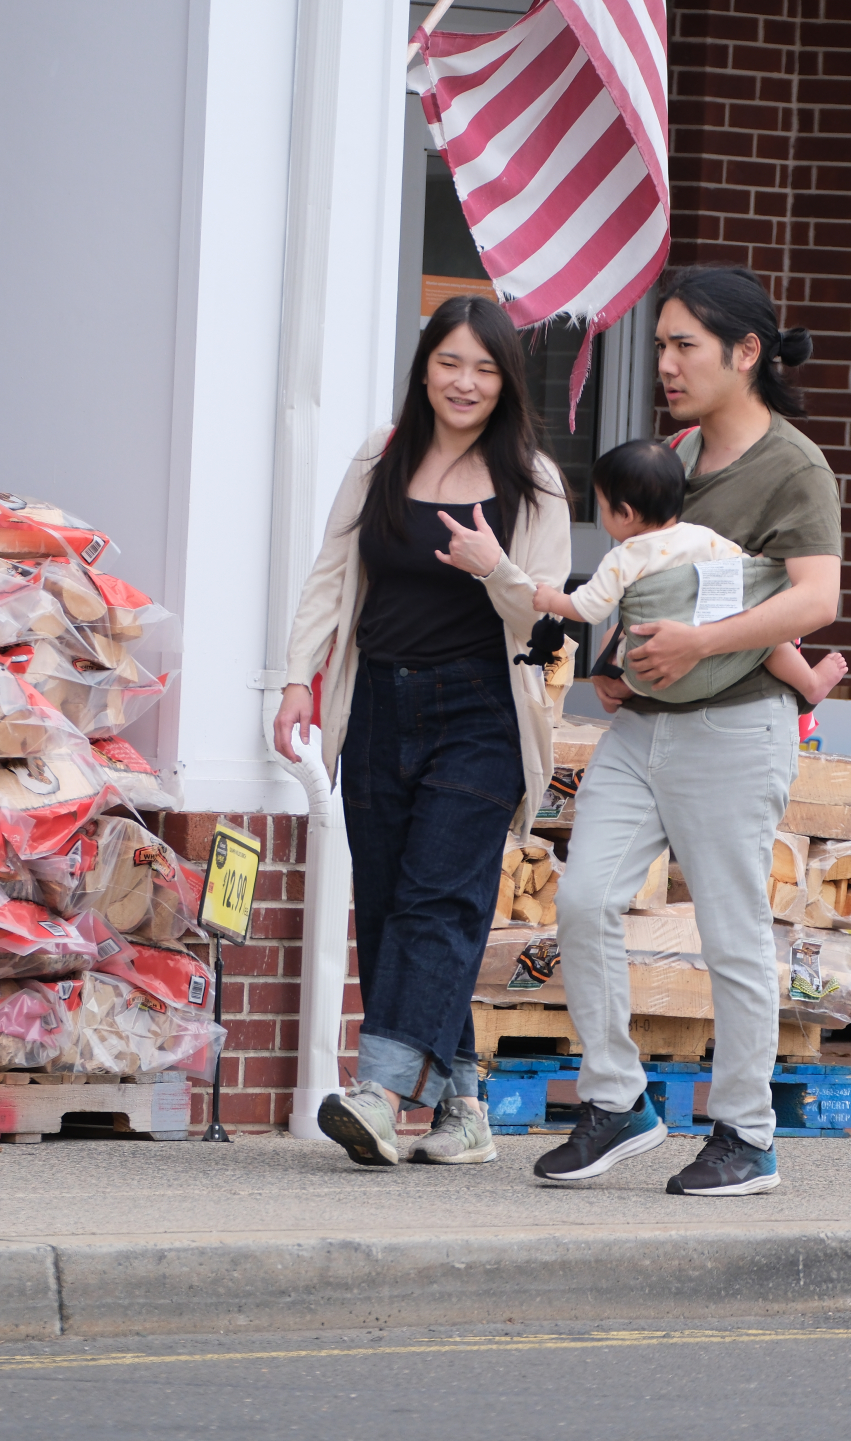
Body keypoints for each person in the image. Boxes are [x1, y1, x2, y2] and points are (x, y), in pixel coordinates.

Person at [537, 265, 844, 1196]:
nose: (665, 363)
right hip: (645, 729)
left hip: (737, 727)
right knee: (585, 900)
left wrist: (701, 643)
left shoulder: (793, 465)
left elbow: (818, 596)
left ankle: (746, 1133)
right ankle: (619, 1101)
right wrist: (613, 666)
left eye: (684, 346)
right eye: (661, 344)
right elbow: (636, 576)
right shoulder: (671, 452)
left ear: (746, 353)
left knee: (731, 930)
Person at [272, 294, 571, 1168]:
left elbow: (552, 622)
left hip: (481, 711)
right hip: (378, 702)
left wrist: (497, 568)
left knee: (442, 896)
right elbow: (332, 570)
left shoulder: (534, 481)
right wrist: (298, 675)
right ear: (425, 367)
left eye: (484, 367)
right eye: (450, 363)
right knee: (397, 903)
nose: (465, 382)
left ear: (507, 379)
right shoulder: (382, 453)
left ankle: (379, 1089)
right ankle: (465, 1106)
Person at [530, 437, 847, 705]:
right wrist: (765, 560)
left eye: (601, 506)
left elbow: (588, 608)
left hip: (651, 677)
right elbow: (743, 572)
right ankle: (810, 682)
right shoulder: (701, 536)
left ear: (624, 514)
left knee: (632, 638)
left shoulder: (622, 558)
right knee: (766, 640)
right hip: (713, 660)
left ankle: (621, 691)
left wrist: (550, 600)